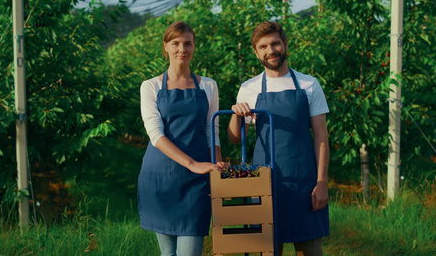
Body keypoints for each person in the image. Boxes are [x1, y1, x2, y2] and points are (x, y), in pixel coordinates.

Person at [228, 21, 330, 256]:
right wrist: (236, 114)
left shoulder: (309, 84)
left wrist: (321, 182)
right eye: (263, 46)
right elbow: (234, 139)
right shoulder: (249, 88)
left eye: (275, 43)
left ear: (285, 45)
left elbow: (321, 137)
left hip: (305, 184)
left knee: (311, 250)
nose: (270, 50)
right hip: (265, 183)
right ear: (256, 53)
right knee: (268, 250)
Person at [138, 21, 224, 256]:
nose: (182, 49)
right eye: (175, 43)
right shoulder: (150, 86)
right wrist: (192, 164)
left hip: (197, 182)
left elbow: (212, 130)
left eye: (187, 43)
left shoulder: (208, 85)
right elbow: (155, 134)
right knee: (168, 254)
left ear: (195, 46)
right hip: (160, 178)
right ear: (165, 47)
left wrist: (216, 163)